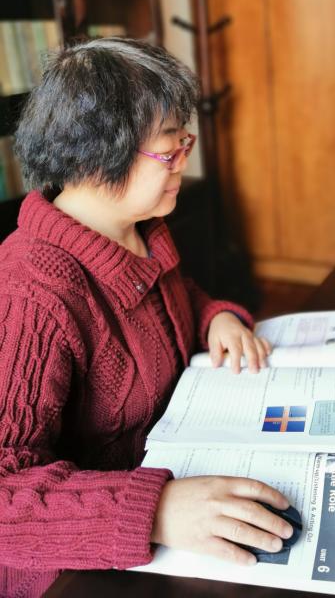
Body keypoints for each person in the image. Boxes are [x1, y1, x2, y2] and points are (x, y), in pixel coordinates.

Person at [0, 38, 294, 598]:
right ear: (94, 156)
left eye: (185, 142)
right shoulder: (28, 291)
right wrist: (155, 509)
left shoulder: (139, 230)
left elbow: (177, 302)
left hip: (178, 483)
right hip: (73, 567)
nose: (185, 161)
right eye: (169, 150)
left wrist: (215, 318)